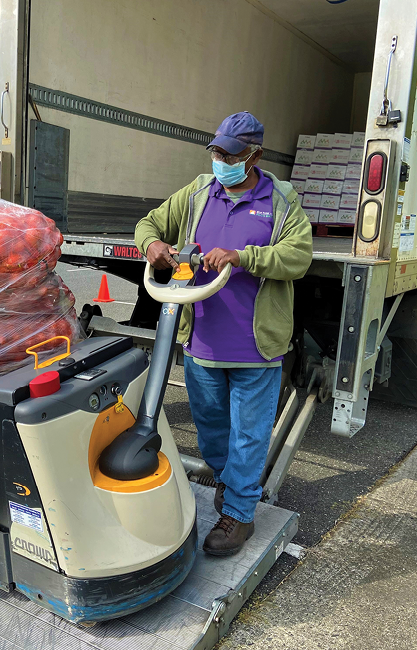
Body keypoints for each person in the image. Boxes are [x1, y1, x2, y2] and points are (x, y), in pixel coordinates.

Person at [135, 111, 313, 556]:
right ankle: (227, 484)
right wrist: (151, 246)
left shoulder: (282, 199)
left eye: (230, 153)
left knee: (249, 435)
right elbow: (148, 225)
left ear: (253, 156)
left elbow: (298, 257)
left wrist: (243, 256)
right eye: (216, 151)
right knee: (211, 429)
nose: (221, 159)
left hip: (256, 347)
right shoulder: (198, 193)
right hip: (202, 343)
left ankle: (239, 515)